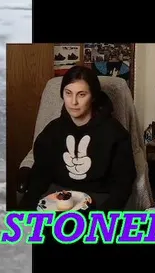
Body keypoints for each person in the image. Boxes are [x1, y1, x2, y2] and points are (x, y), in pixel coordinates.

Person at [20, 65, 135, 210]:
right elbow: (40, 173)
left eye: (81, 94)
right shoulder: (52, 130)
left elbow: (123, 183)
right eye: (68, 93)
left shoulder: (115, 133)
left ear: (93, 96)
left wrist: (103, 216)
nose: (73, 102)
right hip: (57, 196)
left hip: (99, 199)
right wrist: (25, 210)